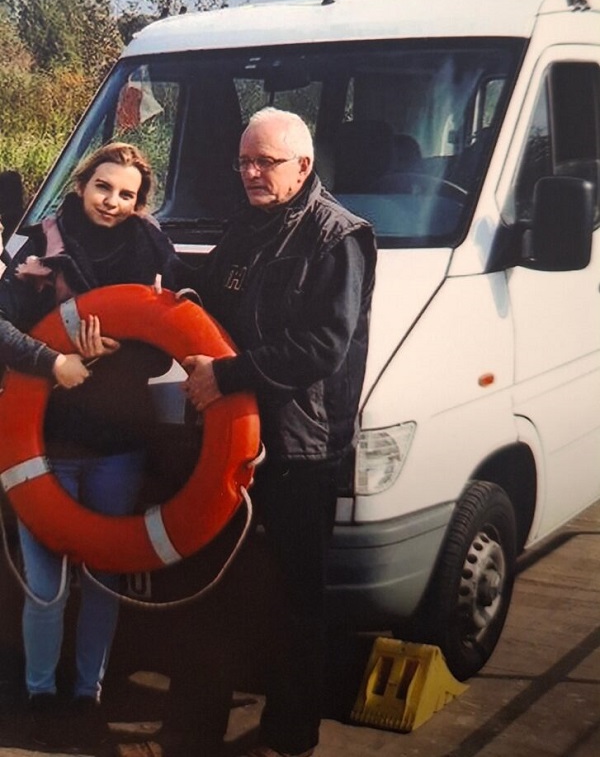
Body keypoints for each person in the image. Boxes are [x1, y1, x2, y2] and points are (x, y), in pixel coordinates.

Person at [152, 107, 377, 757]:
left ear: (303, 166)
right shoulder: (247, 223)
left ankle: (287, 740)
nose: (251, 172)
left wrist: (227, 375)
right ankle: (188, 737)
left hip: (300, 449)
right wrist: (167, 272)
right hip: (230, 440)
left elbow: (323, 345)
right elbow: (216, 298)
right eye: (244, 161)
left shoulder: (338, 236)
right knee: (210, 591)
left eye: (265, 162)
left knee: (294, 602)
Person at [0, 142, 184, 750]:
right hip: (43, 443)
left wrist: (117, 352)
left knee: (104, 578)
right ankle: (39, 693)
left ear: (140, 201)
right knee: (45, 585)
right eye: (103, 187)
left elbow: (165, 347)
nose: (112, 201)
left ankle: (88, 692)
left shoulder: (151, 250)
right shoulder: (40, 246)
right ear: (82, 184)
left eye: (127, 194)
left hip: (117, 447)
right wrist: (54, 361)